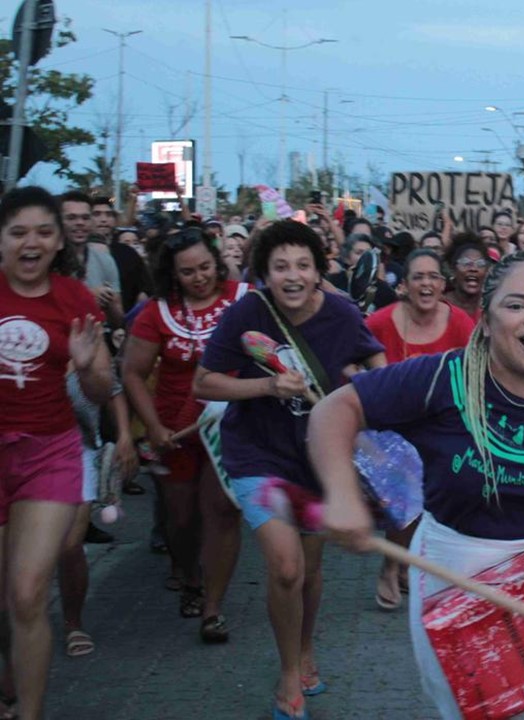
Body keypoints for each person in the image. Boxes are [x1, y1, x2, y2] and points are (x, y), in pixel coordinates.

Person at [311, 251, 524, 720]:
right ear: (486, 318)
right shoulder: (442, 377)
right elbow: (333, 410)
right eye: (516, 305)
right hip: (458, 578)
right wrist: (339, 493)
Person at [194, 220, 386, 719]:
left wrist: (367, 392)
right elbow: (205, 382)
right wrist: (264, 387)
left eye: (303, 265)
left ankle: (305, 650)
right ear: (264, 273)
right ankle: (286, 677)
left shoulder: (342, 314)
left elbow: (375, 362)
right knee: (285, 567)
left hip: (319, 462)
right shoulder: (247, 313)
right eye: (281, 267)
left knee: (311, 569)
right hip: (256, 455)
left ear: (320, 271)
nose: (293, 276)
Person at [0, 186, 113, 720]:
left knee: (25, 593)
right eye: (18, 231)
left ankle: (30, 712)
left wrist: (88, 363)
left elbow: (98, 392)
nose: (31, 242)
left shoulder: (74, 299)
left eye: (43, 232)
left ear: (59, 240)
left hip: (50, 453)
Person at [122, 227, 247, 643]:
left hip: (226, 426)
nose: (200, 278)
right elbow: (133, 374)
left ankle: (212, 607)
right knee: (180, 518)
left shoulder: (243, 297)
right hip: (173, 431)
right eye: (189, 271)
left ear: (218, 261)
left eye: (206, 267)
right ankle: (188, 576)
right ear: (173, 274)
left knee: (222, 512)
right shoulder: (157, 313)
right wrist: (153, 428)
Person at [362, 248, 475, 610]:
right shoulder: (379, 322)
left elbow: (475, 372)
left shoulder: (460, 323)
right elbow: (347, 359)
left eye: (433, 277)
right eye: (418, 277)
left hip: (445, 425)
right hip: (393, 430)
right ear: (404, 285)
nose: (426, 284)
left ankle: (412, 563)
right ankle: (391, 565)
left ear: (443, 284)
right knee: (406, 484)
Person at [60, 191, 124, 328]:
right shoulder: (47, 261)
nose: (80, 223)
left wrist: (109, 302)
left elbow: (119, 322)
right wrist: (87, 296)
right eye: (71, 218)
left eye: (85, 217)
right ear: (59, 221)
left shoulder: (105, 261)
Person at [443, 236, 490, 322]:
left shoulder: (491, 306)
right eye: (466, 263)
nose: (473, 269)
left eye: (480, 264)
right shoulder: (441, 304)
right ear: (453, 269)